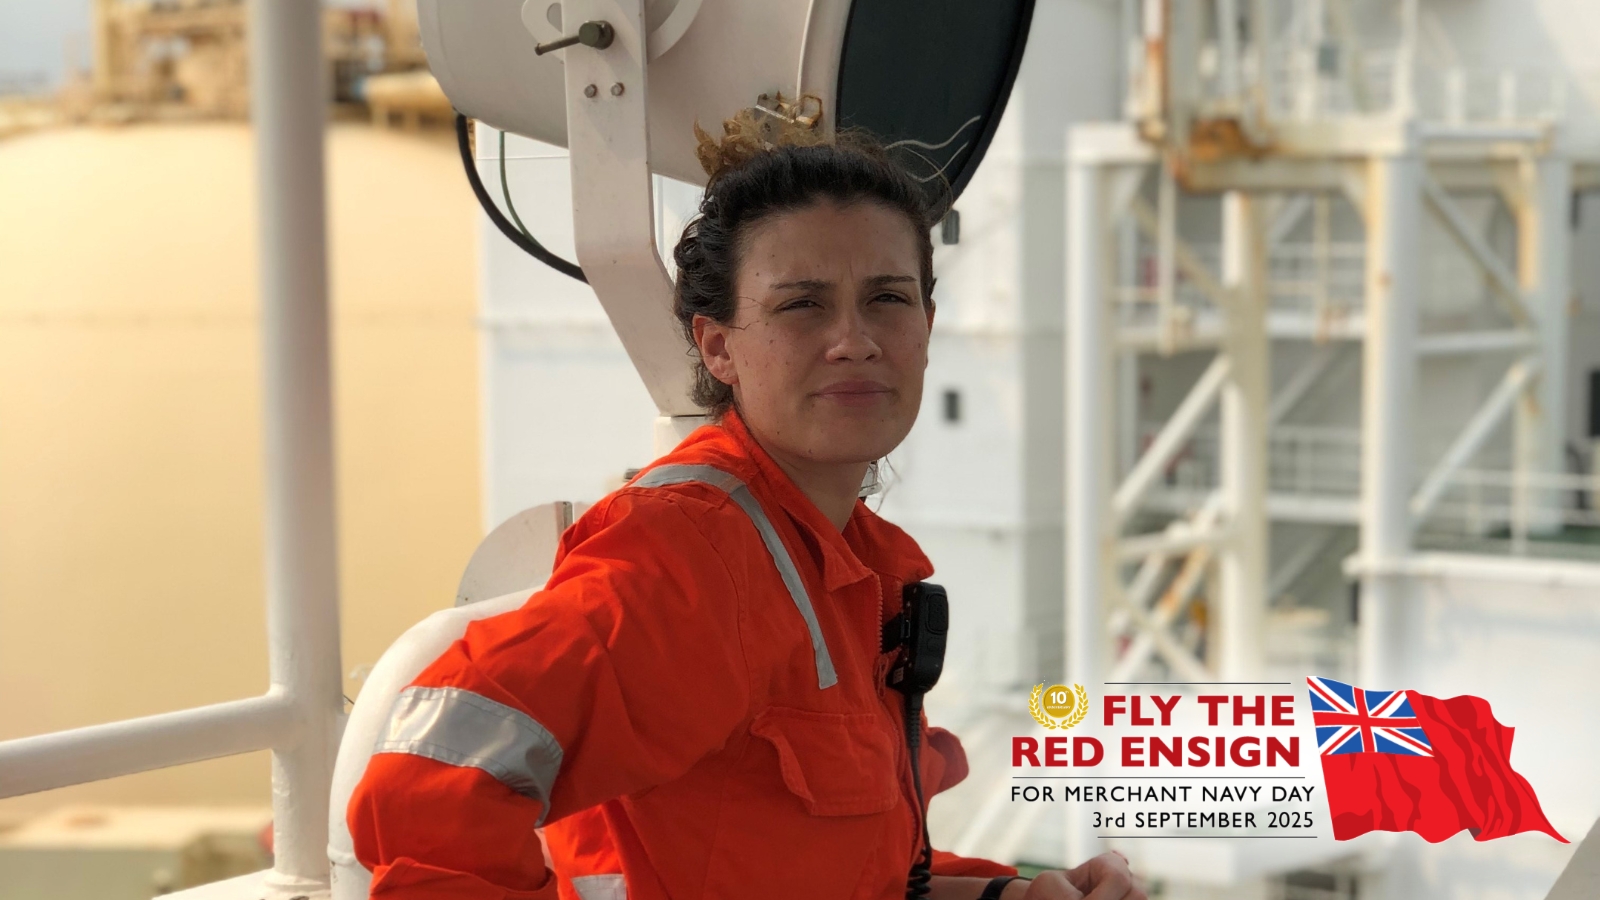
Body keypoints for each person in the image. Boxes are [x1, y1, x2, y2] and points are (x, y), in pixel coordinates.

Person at [347, 122, 1145, 900]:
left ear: (927, 328)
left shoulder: (855, 567)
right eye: (802, 306)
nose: (855, 340)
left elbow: (845, 866)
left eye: (888, 299)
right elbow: (429, 780)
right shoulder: (693, 553)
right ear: (718, 347)